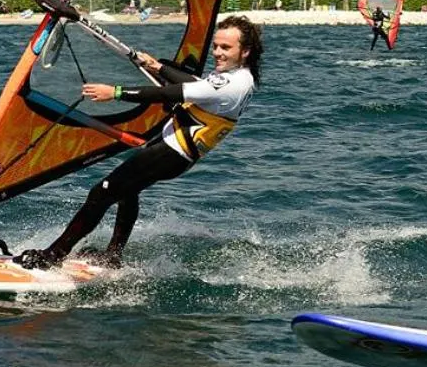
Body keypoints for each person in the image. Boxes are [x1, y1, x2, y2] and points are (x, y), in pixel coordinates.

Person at [16, 16, 262, 269]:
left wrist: (115, 93)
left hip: (171, 151)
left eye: (226, 48)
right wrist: (157, 67)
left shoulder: (230, 84)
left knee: (101, 193)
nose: (217, 53)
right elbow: (197, 84)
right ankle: (113, 256)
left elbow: (167, 93)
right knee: (127, 191)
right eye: (216, 46)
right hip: (175, 150)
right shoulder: (242, 78)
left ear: (245, 51)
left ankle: (53, 256)